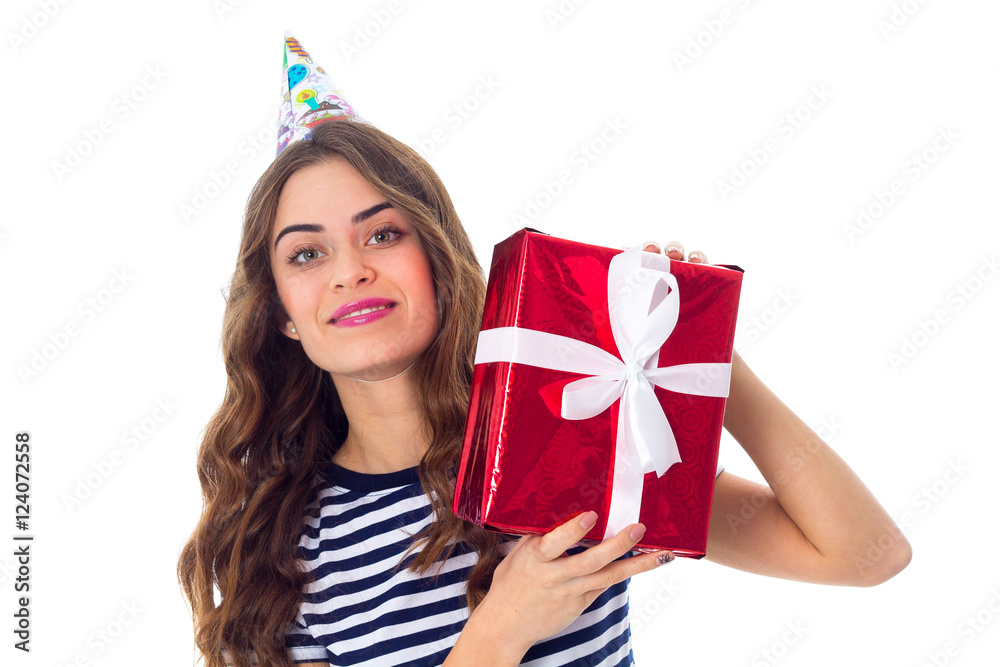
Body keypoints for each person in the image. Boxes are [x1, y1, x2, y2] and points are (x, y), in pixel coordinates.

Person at [178, 35, 911, 667]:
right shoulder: (281, 549)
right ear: (280, 315)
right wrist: (501, 630)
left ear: (437, 260)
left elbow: (867, 554)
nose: (349, 271)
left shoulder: (567, 435)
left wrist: (700, 353)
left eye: (383, 233)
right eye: (306, 254)